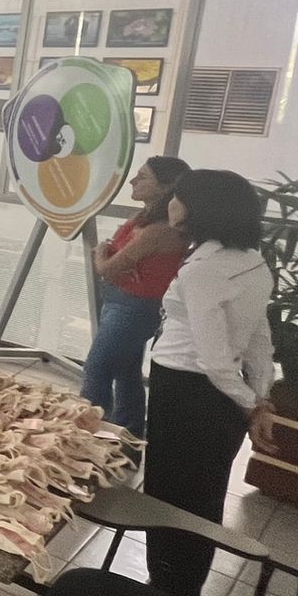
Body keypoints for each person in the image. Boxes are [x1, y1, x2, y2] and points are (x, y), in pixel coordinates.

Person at [144, 170, 276, 596]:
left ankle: (166, 592)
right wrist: (260, 399)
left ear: (202, 208)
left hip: (184, 393)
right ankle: (183, 590)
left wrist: (250, 403)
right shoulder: (252, 260)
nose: (171, 204)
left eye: (178, 197)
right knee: (204, 497)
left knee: (167, 496)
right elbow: (259, 338)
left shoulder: (205, 269)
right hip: (216, 403)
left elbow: (214, 359)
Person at [82, 156, 192, 432]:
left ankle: (89, 436)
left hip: (135, 307)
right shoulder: (145, 218)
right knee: (125, 370)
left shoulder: (160, 230)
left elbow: (107, 268)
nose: (133, 180)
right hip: (122, 300)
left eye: (143, 177)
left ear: (168, 187)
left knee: (98, 368)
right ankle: (128, 432)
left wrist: (100, 255)